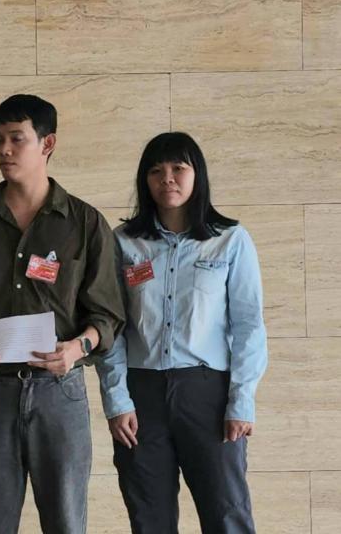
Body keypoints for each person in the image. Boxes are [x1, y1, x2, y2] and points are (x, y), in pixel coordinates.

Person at [0, 94, 125, 534]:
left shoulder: (85, 223)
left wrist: (77, 348)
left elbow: (108, 314)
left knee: (66, 523)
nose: (3, 150)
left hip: (61, 393)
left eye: (16, 138)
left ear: (47, 143)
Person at [96, 131, 267, 533]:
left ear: (197, 175)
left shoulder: (230, 240)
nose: (167, 178)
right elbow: (111, 326)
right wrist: (117, 399)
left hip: (208, 394)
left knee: (226, 514)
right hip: (141, 396)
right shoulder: (124, 243)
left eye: (178, 168)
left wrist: (242, 401)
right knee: (149, 518)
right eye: (156, 171)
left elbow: (249, 325)